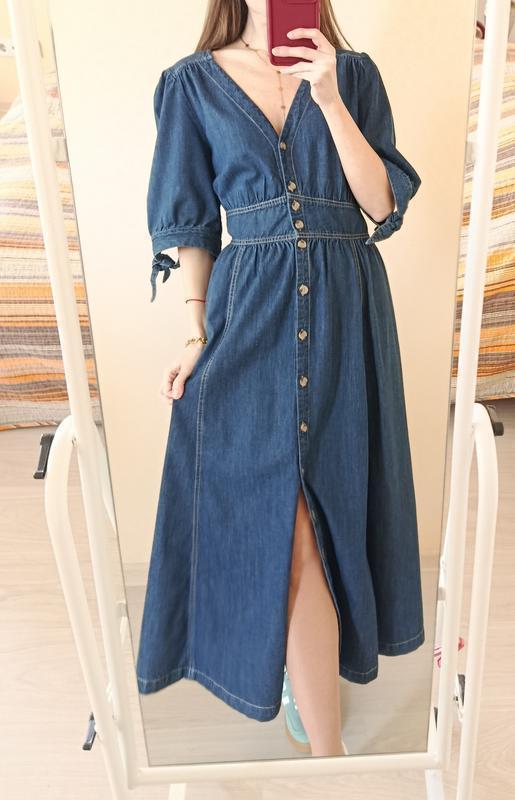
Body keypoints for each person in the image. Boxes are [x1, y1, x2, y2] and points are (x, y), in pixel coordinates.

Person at [136, 0, 425, 759]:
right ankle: (331, 761)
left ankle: (311, 680)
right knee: (285, 517)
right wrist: (195, 335)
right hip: (250, 313)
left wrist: (329, 98)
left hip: (346, 313)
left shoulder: (351, 75)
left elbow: (380, 204)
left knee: (334, 504)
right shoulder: (190, 84)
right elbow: (191, 226)